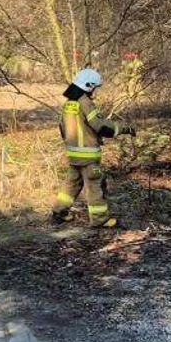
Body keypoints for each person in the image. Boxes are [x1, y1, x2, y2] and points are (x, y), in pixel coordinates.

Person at [53, 67, 131, 228]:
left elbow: (61, 127)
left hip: (73, 154)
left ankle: (59, 211)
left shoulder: (69, 103)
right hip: (88, 156)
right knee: (95, 186)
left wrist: (70, 145)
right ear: (89, 86)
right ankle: (100, 219)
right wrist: (124, 128)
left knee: (72, 183)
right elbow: (100, 126)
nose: (96, 91)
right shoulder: (85, 102)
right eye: (95, 87)